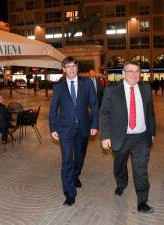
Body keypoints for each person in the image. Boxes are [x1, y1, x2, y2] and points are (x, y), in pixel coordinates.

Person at [100, 60, 156, 213]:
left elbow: (150, 113)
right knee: (120, 164)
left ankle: (142, 202)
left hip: (141, 137)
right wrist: (105, 136)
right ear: (123, 74)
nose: (134, 74)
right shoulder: (111, 90)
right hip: (120, 137)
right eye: (130, 71)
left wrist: (152, 133)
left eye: (137, 71)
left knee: (141, 170)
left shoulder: (146, 88)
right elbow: (104, 114)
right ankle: (121, 183)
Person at [49, 56, 99, 206]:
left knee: (79, 157)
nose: (71, 69)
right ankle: (69, 192)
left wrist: (94, 125)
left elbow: (94, 105)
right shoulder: (58, 86)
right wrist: (53, 128)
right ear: (64, 70)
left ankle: (75, 174)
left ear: (77, 68)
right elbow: (53, 110)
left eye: (73, 66)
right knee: (67, 160)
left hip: (83, 127)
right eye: (68, 67)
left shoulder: (87, 83)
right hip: (64, 128)